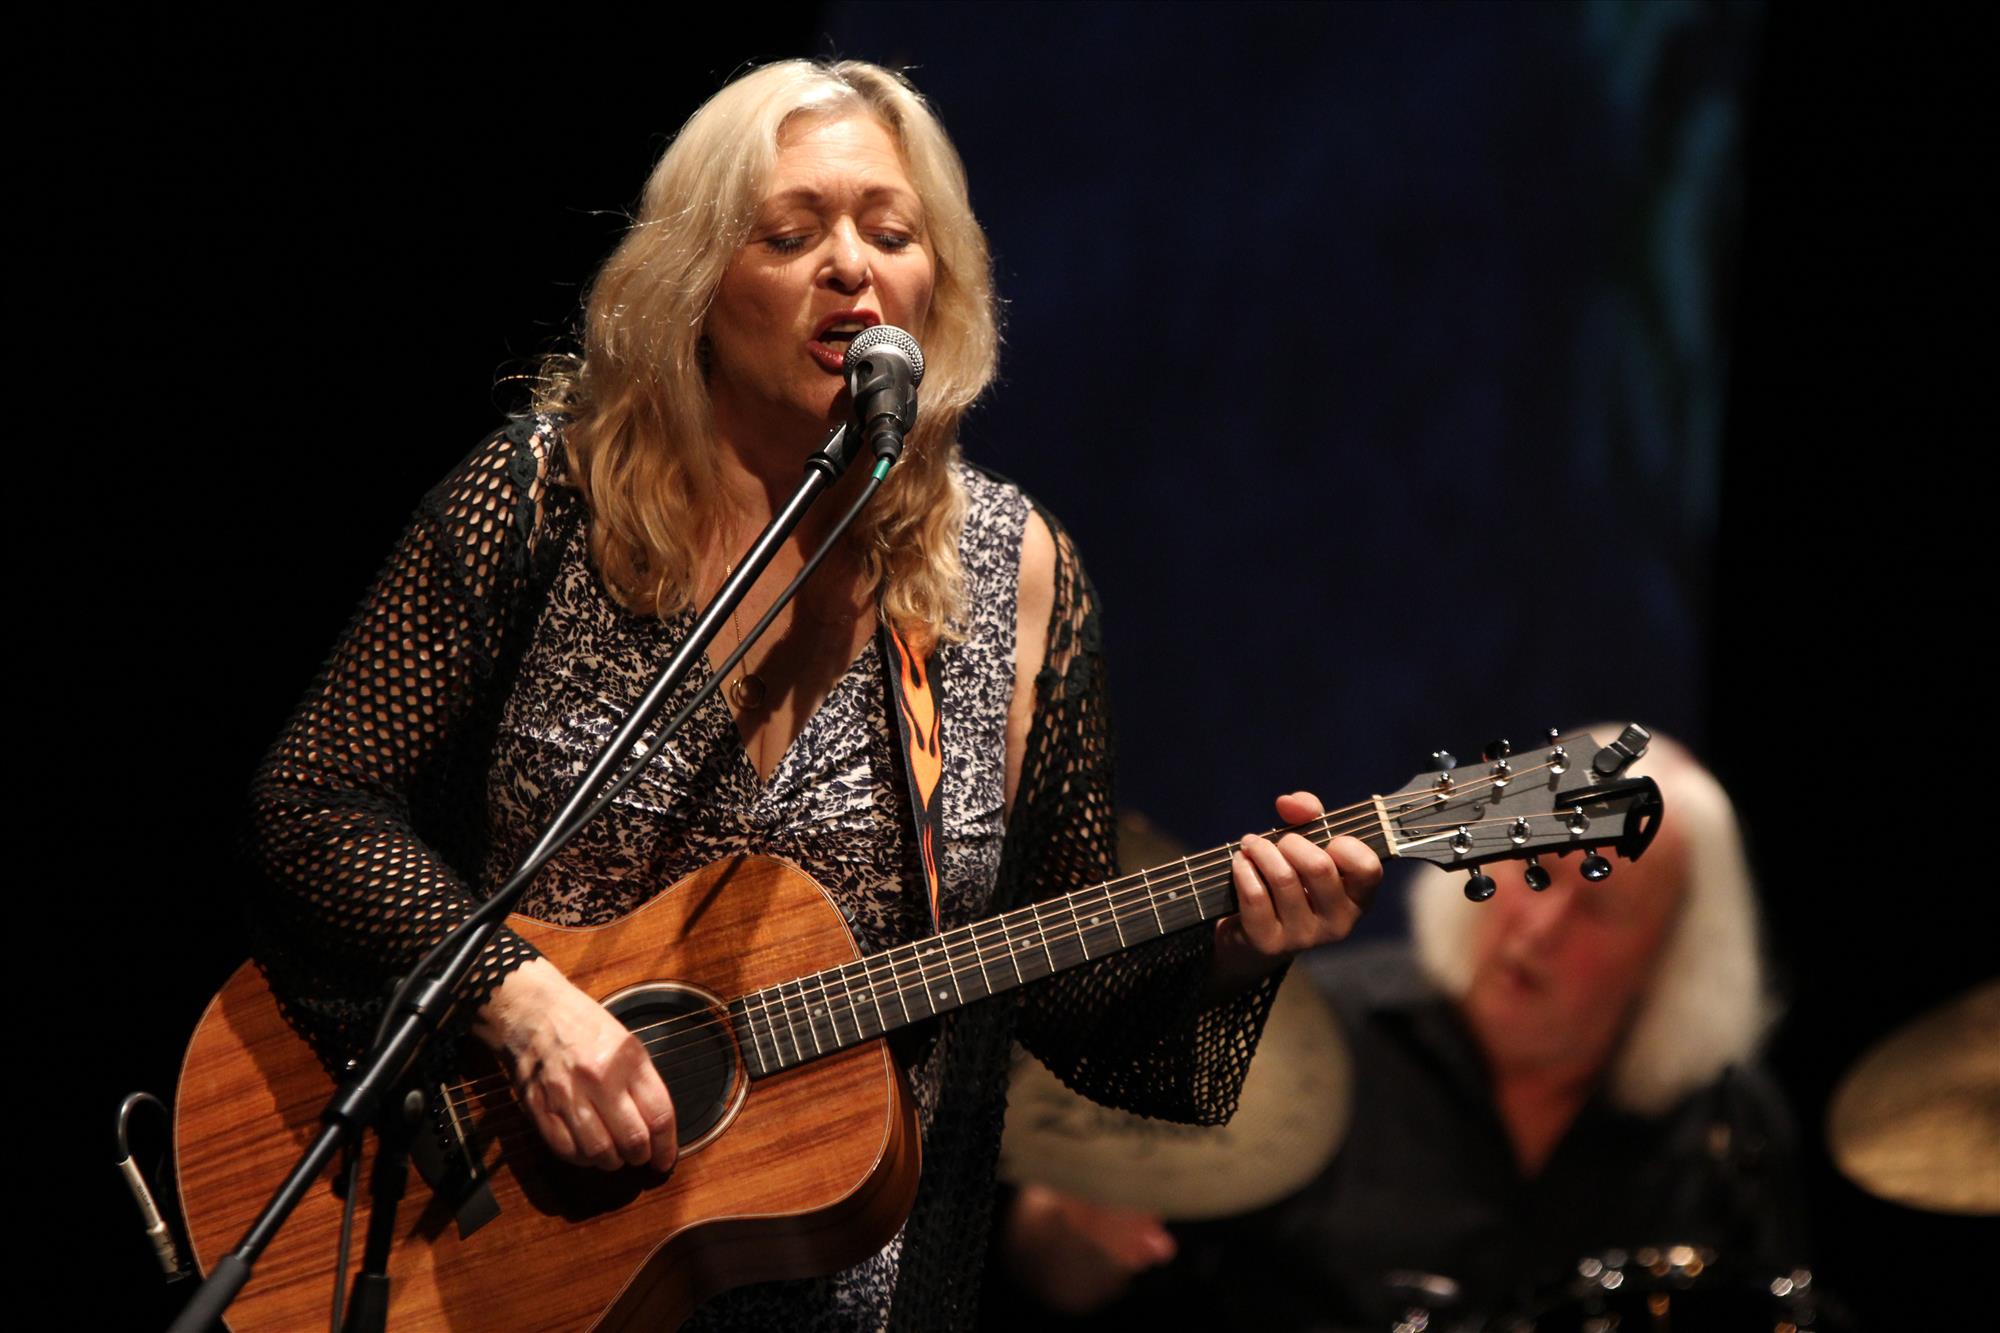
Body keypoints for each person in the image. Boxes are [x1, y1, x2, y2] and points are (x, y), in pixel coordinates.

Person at [245, 59, 1379, 1331]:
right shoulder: (546, 501)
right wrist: (518, 999)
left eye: (891, 234)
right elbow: (313, 803)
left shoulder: (1012, 575)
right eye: (791, 235)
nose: (851, 266)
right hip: (504, 1252)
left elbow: (1063, 1000)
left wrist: (1236, 945)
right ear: (693, 283)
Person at [994, 734, 1806, 1329]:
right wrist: (1069, 1230)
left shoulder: (1730, 1129)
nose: (1539, 928)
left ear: (1671, 956)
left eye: (1597, 901)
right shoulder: (1305, 1041)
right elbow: (1064, 1278)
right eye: (1536, 872)